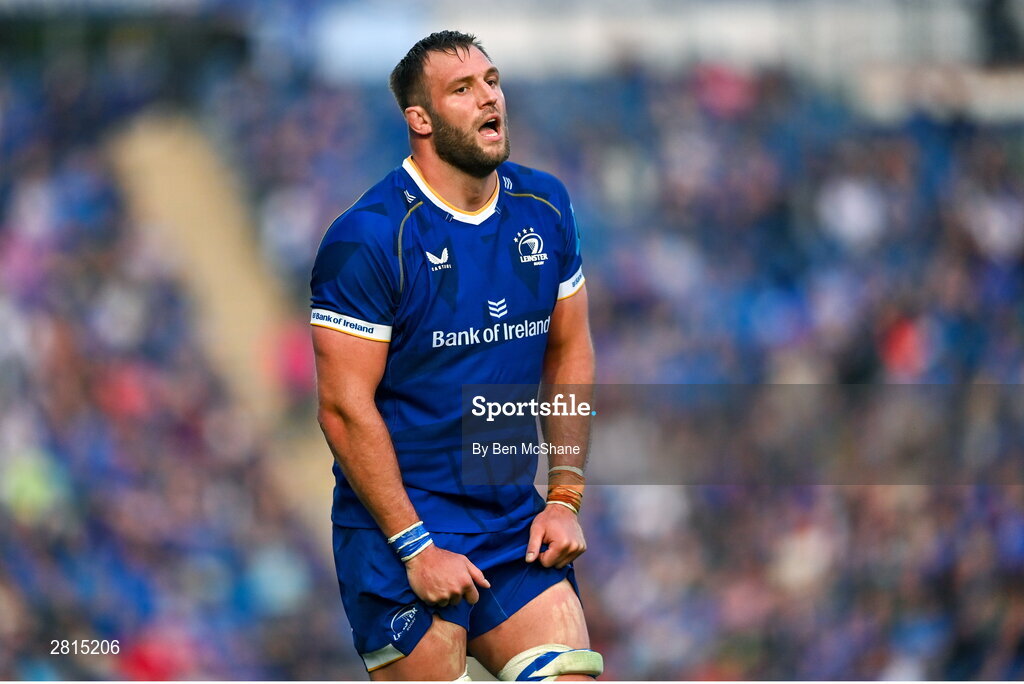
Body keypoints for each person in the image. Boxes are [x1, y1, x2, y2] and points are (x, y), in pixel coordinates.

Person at [310, 30, 601, 681]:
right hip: (400, 534)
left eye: (492, 81)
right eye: (462, 90)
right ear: (420, 118)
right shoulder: (370, 238)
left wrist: (565, 494)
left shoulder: (544, 206)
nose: (488, 98)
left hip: (508, 522)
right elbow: (341, 407)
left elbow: (569, 348)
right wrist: (415, 547)